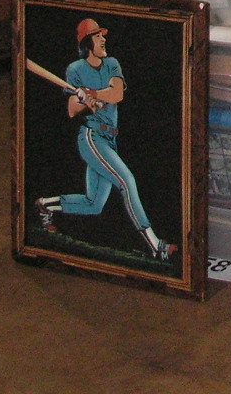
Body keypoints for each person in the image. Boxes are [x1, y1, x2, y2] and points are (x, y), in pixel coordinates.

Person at [34, 18, 176, 262]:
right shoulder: (75, 69)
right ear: (87, 43)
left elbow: (117, 94)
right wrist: (83, 101)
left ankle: (45, 205)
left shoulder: (111, 63)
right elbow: (71, 110)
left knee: (94, 205)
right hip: (92, 137)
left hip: (110, 139)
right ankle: (156, 246)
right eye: (97, 36)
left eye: (102, 35)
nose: (103, 39)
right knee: (127, 182)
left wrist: (93, 93)